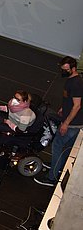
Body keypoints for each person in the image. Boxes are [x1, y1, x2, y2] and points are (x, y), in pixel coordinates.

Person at [36, 56, 82, 187]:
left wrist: (66, 123)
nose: (63, 72)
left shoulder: (76, 83)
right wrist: (64, 107)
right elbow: (72, 101)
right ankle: (58, 165)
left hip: (72, 124)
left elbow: (77, 105)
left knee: (57, 145)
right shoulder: (72, 80)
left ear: (73, 68)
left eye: (65, 70)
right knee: (66, 148)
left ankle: (52, 177)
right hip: (74, 122)